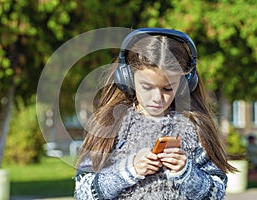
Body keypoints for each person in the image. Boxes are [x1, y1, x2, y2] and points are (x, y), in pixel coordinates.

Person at [74, 28, 236, 199]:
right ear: (127, 78)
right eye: (147, 87)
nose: (157, 98)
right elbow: (82, 193)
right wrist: (127, 170)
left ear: (184, 85)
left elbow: (217, 193)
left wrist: (186, 173)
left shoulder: (194, 128)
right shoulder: (110, 124)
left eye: (168, 88)